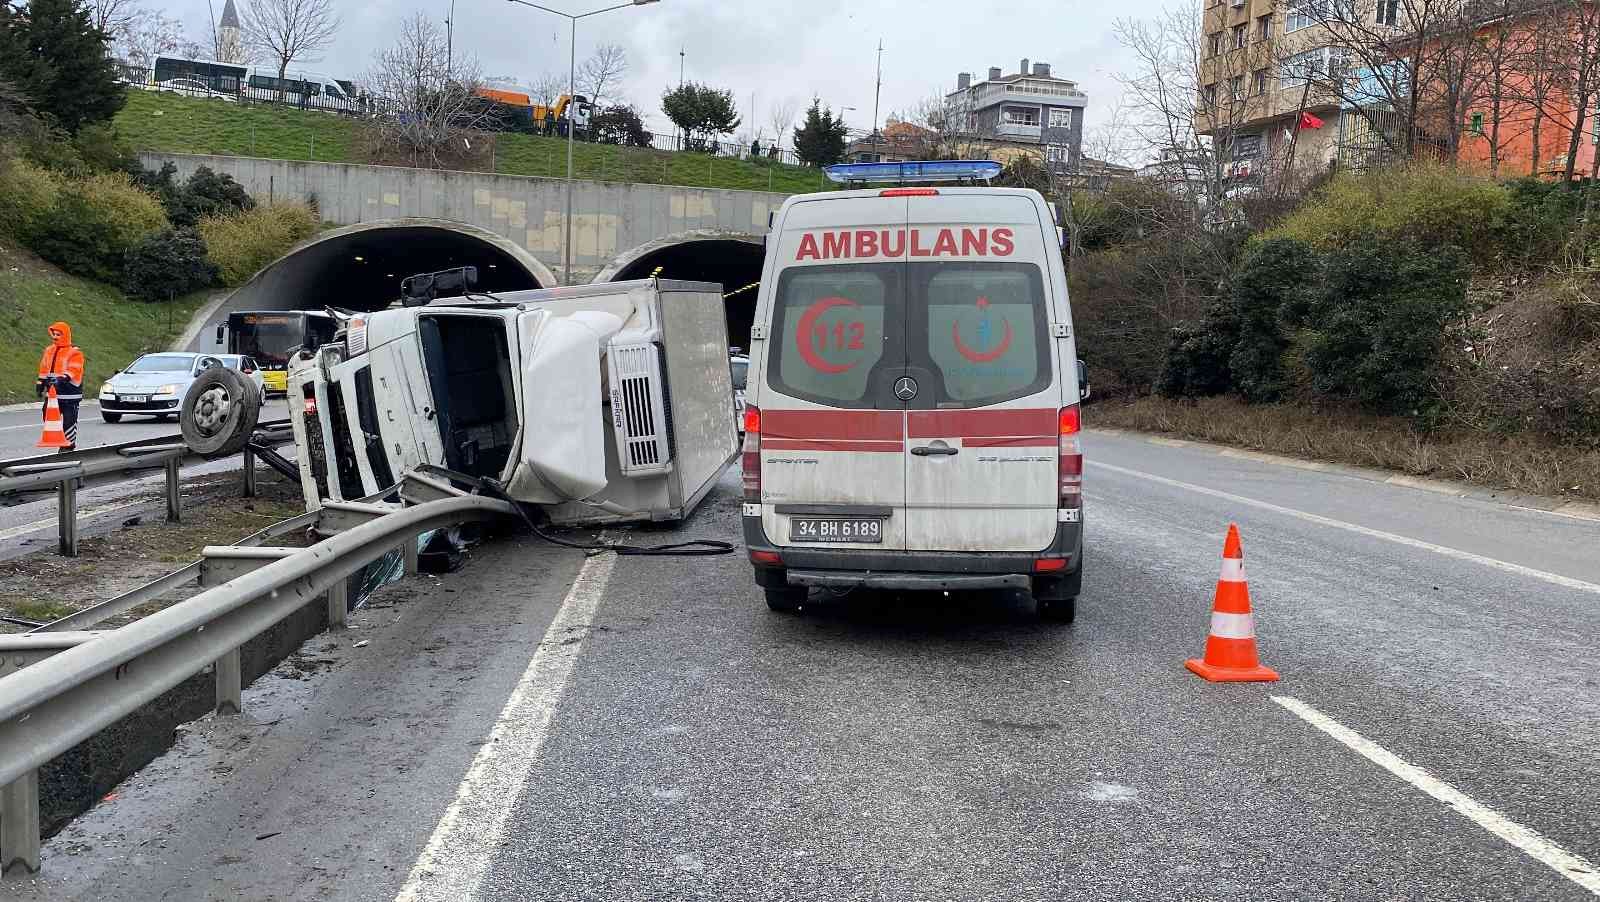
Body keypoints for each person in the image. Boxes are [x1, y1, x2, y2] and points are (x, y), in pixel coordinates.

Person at [37, 321, 85, 452]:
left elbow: (74, 369)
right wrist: (40, 382)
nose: (55, 337)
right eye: (54, 334)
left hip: (70, 393)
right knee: (47, 414)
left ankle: (68, 446)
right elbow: (44, 368)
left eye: (58, 334)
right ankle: (59, 438)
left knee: (69, 421)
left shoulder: (74, 352)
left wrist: (62, 378)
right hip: (52, 393)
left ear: (65, 335)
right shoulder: (49, 350)